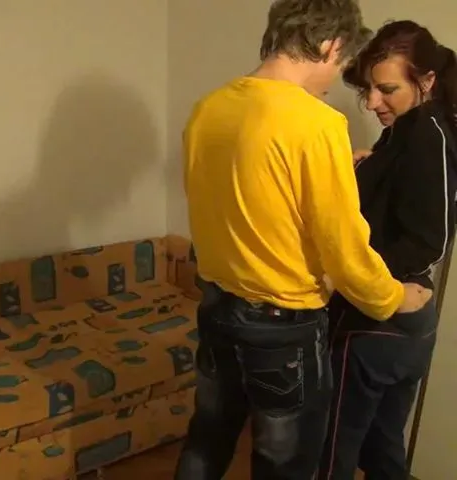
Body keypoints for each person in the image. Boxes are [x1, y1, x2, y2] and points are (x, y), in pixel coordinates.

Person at [173, 0, 434, 478]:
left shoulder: (209, 108)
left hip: (217, 306)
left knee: (207, 437)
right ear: (330, 45)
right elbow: (344, 248)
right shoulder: (317, 123)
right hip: (281, 328)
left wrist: (328, 168)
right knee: (284, 463)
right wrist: (395, 298)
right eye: (340, 62)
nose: (334, 79)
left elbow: (228, 197)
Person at [318, 20, 457, 480]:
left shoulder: (427, 136)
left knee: (332, 452)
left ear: (427, 81)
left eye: (388, 90)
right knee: (381, 452)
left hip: (380, 324)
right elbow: (393, 208)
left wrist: (351, 277)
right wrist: (362, 168)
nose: (374, 102)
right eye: (370, 90)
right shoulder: (403, 133)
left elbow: (428, 243)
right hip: (390, 324)